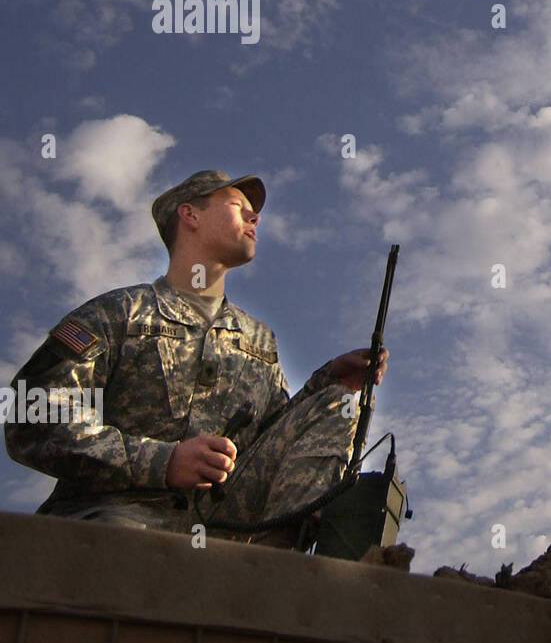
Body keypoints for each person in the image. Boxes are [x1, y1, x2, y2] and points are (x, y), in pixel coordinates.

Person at [4, 169, 388, 542]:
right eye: (237, 204)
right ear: (190, 214)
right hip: (113, 520)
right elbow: (32, 416)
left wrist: (327, 382)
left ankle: (275, 569)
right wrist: (163, 461)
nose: (254, 216)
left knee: (336, 405)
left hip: (227, 529)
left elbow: (267, 442)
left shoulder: (258, 339)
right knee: (124, 548)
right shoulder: (118, 313)